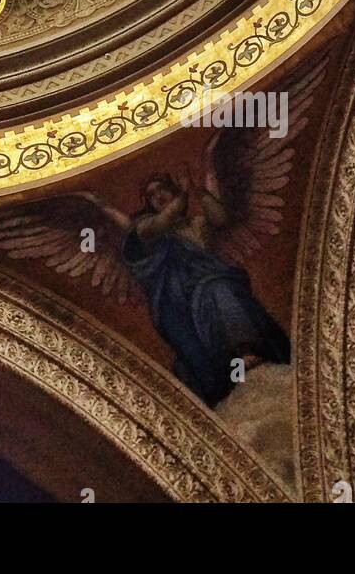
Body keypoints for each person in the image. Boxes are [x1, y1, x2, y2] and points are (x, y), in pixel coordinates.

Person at [121, 170, 290, 406]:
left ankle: (245, 352)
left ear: (172, 190)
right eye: (152, 195)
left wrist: (198, 190)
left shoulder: (196, 224)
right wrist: (183, 194)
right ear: (148, 205)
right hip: (180, 306)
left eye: (163, 189)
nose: (159, 196)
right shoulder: (146, 231)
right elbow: (162, 222)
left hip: (214, 284)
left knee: (218, 289)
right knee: (214, 292)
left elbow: (221, 219)